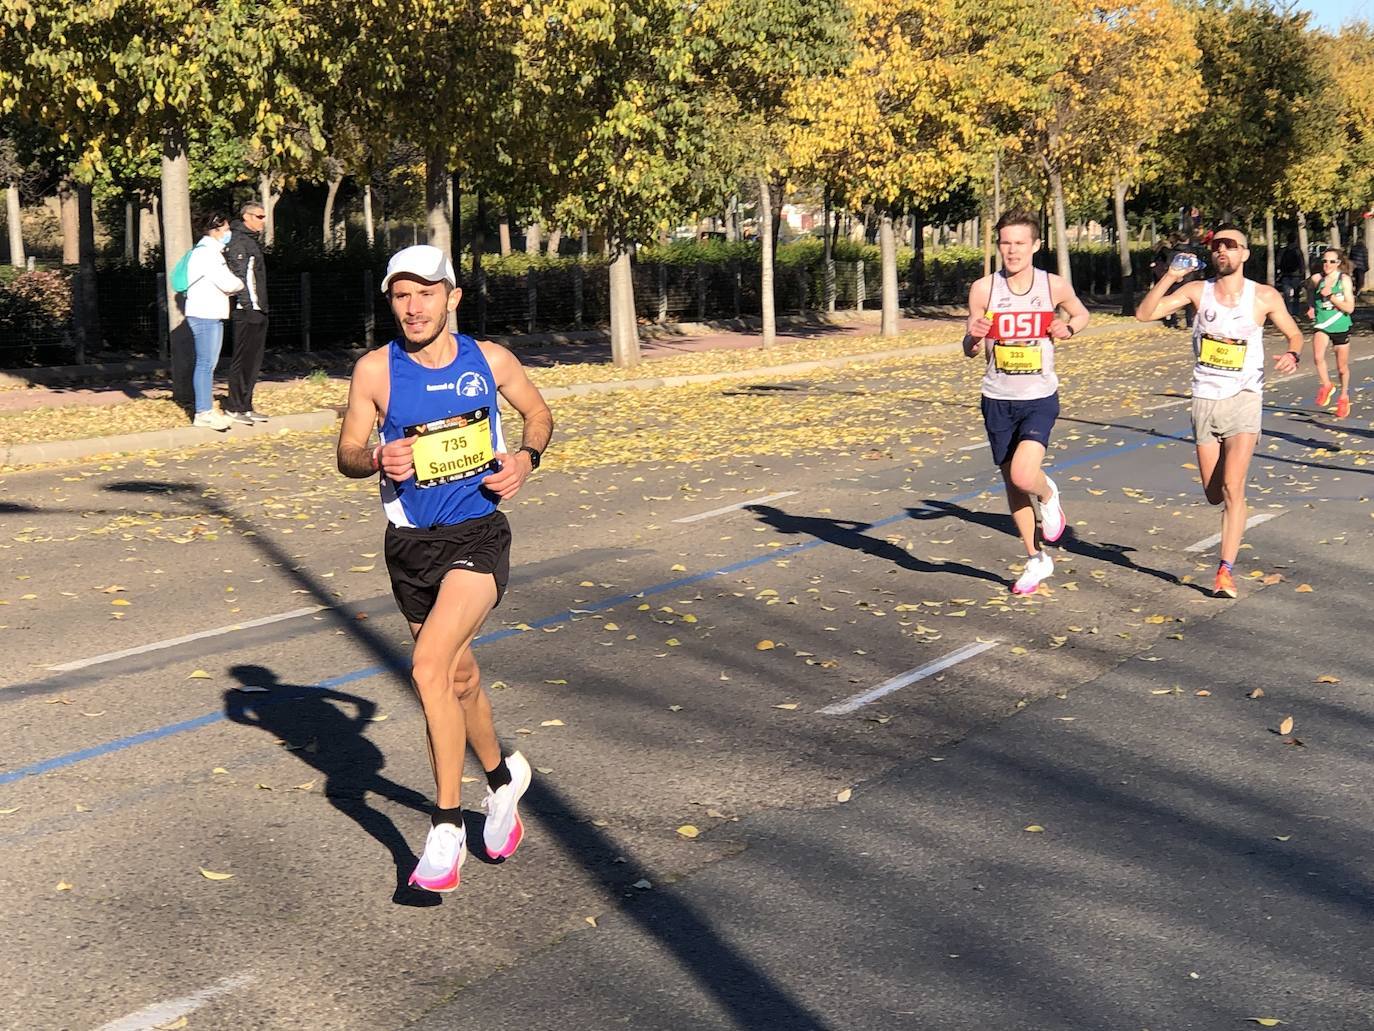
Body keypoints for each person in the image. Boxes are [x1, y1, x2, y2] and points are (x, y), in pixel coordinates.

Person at [335, 245, 553, 893]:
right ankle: (502, 777)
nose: (412, 307)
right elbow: (346, 451)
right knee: (457, 675)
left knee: (427, 667)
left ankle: (446, 822)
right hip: (410, 548)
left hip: (478, 535)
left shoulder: (488, 360)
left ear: (452, 296)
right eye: (400, 295)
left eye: (424, 293)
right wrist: (377, 457)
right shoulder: (375, 371)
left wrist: (526, 458)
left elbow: (538, 414)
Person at [1134, 224, 1304, 599]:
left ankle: (1225, 570)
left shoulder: (1264, 297)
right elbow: (1145, 314)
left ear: (1245, 253)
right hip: (1205, 399)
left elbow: (1294, 333)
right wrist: (1170, 278)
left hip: (1245, 397)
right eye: (1217, 246)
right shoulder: (1198, 291)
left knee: (1232, 486)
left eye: (1231, 245)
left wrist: (1293, 353)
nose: (1223, 250)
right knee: (1214, 493)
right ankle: (1226, 543)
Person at [963, 210, 1091, 596]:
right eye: (1005, 243)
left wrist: (1066, 327)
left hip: (1038, 397)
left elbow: (1081, 313)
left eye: (1020, 243)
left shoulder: (1052, 285)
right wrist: (973, 335)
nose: (1012, 250)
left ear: (1035, 245)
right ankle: (1035, 558)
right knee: (1013, 484)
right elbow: (970, 348)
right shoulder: (984, 289)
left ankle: (1049, 494)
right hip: (996, 397)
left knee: (1024, 475)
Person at [183, 212, 244, 430]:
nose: (228, 233)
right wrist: (240, 284)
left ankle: (206, 409)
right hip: (205, 313)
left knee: (208, 364)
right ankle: (203, 412)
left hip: (209, 312)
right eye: (226, 229)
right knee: (206, 365)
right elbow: (227, 283)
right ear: (216, 230)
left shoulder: (208, 251)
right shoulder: (208, 253)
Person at [224, 202, 270, 425]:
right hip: (247, 311)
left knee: (253, 361)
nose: (263, 220)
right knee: (242, 359)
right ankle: (234, 406)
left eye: (264, 216)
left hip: (257, 308)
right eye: (259, 216)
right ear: (247, 217)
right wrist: (250, 306)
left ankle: (246, 405)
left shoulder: (250, 241)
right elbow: (241, 277)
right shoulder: (239, 241)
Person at [1307, 246, 1356, 419]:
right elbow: (1309, 290)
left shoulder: (1344, 280)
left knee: (1341, 368)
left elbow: (1350, 308)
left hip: (1340, 324)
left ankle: (1343, 397)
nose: (1327, 264)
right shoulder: (1316, 278)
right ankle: (1327, 385)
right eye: (1324, 261)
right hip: (1322, 323)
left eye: (1331, 261)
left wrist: (1332, 297)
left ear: (1339, 263)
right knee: (1318, 357)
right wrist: (1311, 305)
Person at [1277, 234, 1305, 317]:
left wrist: (1280, 270)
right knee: (1296, 295)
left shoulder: (1283, 250)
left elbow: (1278, 262)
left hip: (1285, 275)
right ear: (1295, 239)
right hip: (1296, 275)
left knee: (1286, 295)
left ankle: (1287, 312)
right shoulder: (1297, 250)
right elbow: (1301, 262)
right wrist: (1302, 273)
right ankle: (1295, 312)